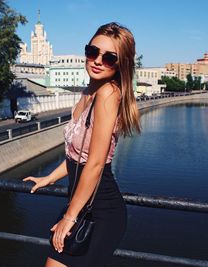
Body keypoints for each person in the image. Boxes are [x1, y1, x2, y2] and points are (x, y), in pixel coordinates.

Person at [23, 22, 141, 267]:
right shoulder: (89, 90)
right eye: (92, 52)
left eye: (109, 57)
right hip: (78, 204)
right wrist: (49, 178)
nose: (98, 60)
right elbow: (78, 156)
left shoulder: (108, 93)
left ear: (121, 63)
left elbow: (96, 163)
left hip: (100, 211)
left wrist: (69, 217)